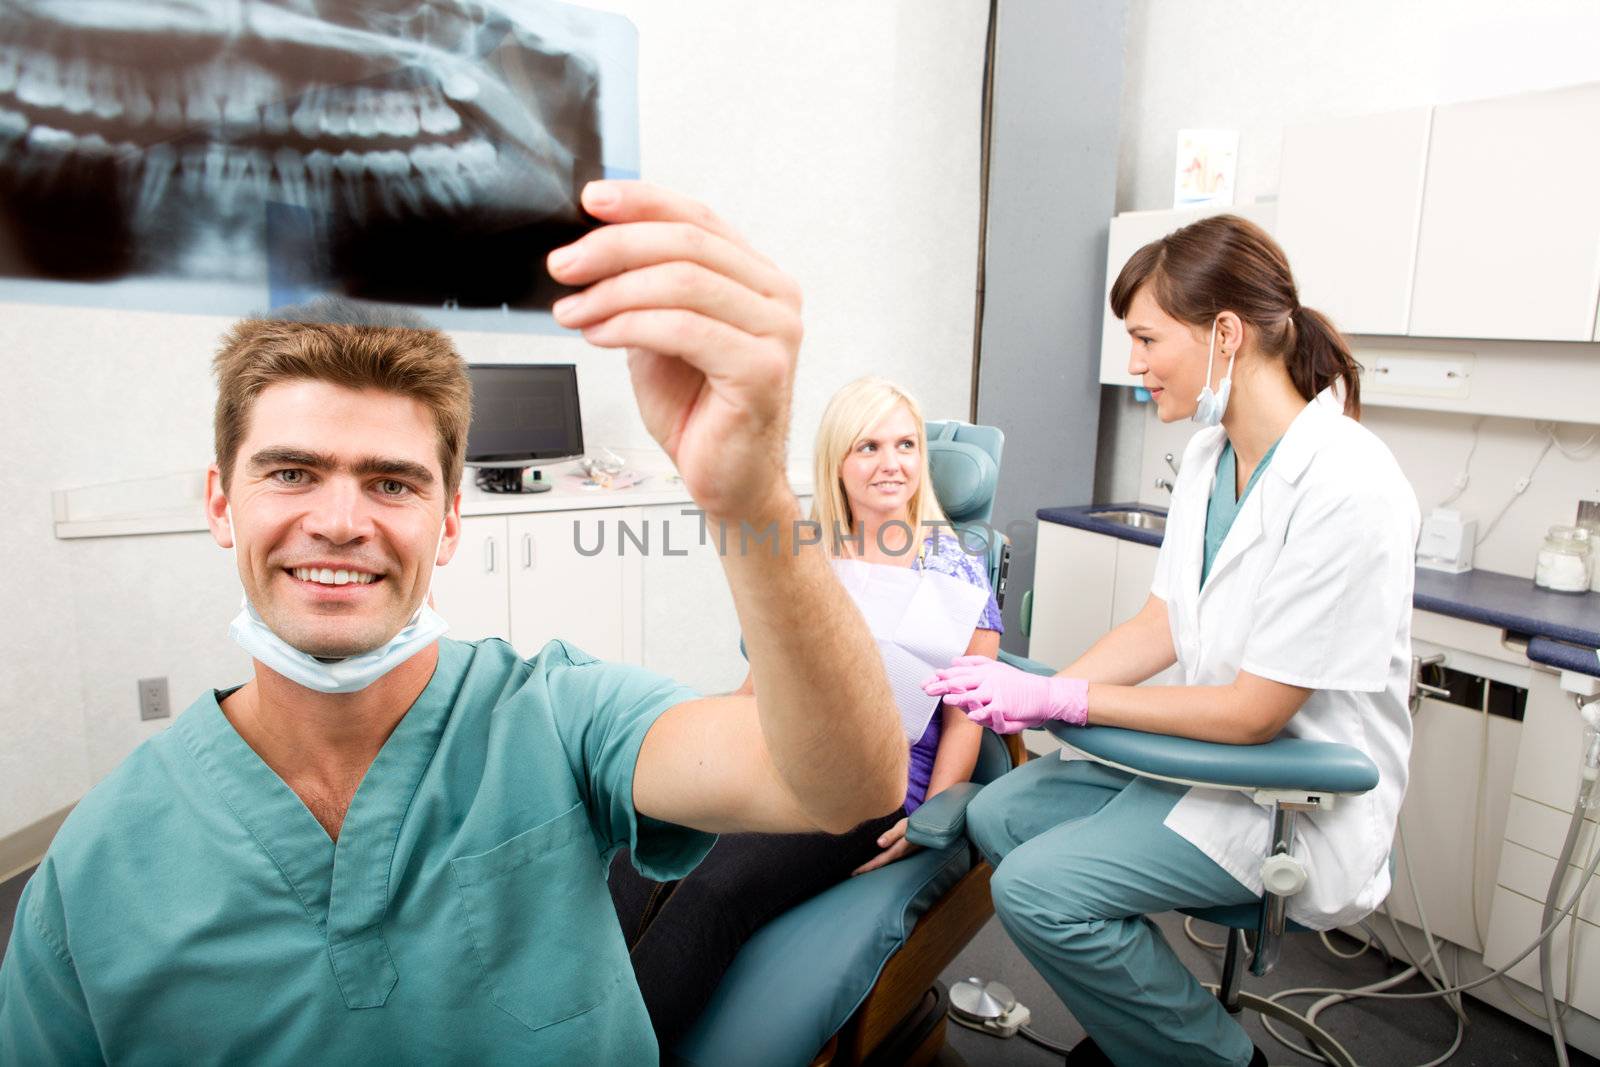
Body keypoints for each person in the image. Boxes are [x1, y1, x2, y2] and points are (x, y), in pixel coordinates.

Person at [0, 181, 908, 1064]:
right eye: (290, 473)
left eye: (391, 482)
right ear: (219, 502)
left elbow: (843, 784)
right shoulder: (96, 871)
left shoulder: (556, 716)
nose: (342, 520)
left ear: (447, 524)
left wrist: (747, 489)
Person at [924, 214, 1419, 1067]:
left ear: (1225, 333)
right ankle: (1149, 1032)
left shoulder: (1350, 483)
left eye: (1148, 337)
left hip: (1282, 794)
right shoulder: (1206, 458)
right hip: (1207, 763)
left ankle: (1220, 1060)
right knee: (1002, 811)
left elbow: (1257, 712)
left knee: (1037, 892)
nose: (1135, 363)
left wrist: (1063, 695)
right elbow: (1162, 625)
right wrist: (1022, 696)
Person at [607, 375, 1003, 1044]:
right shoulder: (814, 555)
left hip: (867, 787)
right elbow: (762, 681)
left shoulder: (956, 566)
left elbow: (971, 713)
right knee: (634, 859)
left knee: (709, 895)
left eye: (905, 444)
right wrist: (697, 759)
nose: (892, 463)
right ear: (837, 463)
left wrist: (932, 814)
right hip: (779, 758)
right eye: (868, 446)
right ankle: (570, 1024)